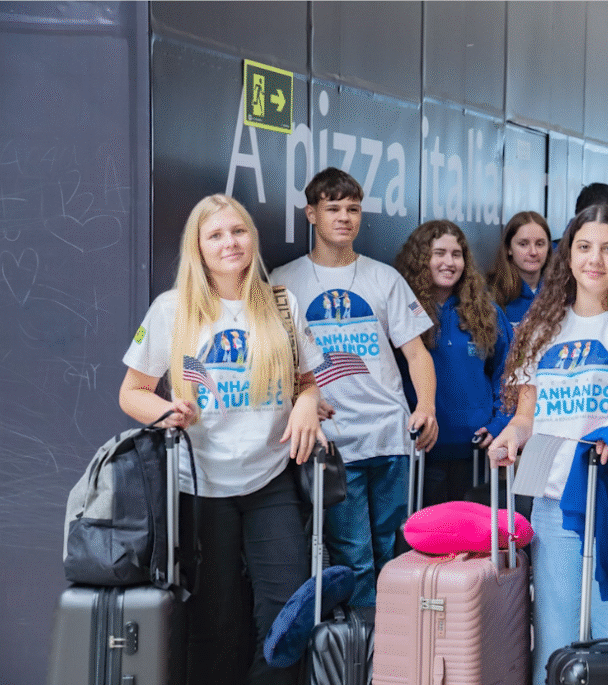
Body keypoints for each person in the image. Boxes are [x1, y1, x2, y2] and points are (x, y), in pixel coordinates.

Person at [120, 194, 325, 685]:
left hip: (271, 479)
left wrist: (306, 403)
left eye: (238, 231)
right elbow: (131, 393)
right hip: (201, 486)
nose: (230, 243)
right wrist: (168, 412)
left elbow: (308, 382)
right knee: (216, 618)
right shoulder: (172, 309)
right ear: (198, 247)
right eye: (215, 235)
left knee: (287, 613)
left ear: (252, 237)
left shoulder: (281, 303)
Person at [486, 204, 608, 685]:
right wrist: (511, 435)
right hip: (554, 499)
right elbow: (527, 416)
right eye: (585, 247)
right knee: (556, 641)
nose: (596, 259)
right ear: (568, 255)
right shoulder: (541, 325)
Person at [269, 167, 438, 608]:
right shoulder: (282, 281)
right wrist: (302, 402)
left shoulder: (384, 278)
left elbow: (417, 354)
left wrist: (426, 407)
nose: (344, 217)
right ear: (311, 214)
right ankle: (363, 640)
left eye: (353, 209)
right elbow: (273, 361)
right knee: (354, 556)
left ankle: (398, 637)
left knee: (394, 549)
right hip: (332, 444)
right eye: (333, 208)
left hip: (390, 436)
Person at [395, 220, 513, 505]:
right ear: (421, 259)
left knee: (473, 531)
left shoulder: (486, 312)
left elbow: (507, 373)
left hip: (475, 452)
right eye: (439, 253)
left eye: (456, 254)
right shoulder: (401, 311)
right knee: (427, 531)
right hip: (421, 452)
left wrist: (499, 423)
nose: (449, 262)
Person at [488, 211, 552, 326]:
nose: (533, 252)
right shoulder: (491, 295)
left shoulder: (561, 293)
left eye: (540, 244)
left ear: (548, 248)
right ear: (509, 248)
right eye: (523, 244)